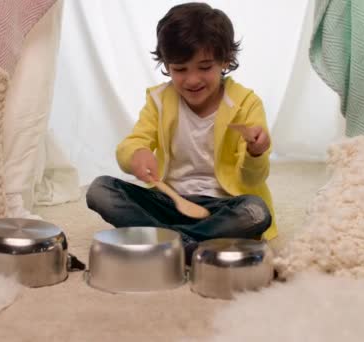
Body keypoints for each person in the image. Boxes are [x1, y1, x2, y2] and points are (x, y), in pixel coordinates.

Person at [86, 2, 277, 264]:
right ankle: (189, 244)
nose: (192, 80)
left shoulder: (246, 103)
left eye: (205, 67)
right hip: (169, 202)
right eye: (180, 69)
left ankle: (165, 242)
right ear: (166, 65)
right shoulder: (159, 101)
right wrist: (137, 155)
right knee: (100, 189)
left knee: (256, 211)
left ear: (226, 61)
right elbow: (133, 143)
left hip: (221, 207)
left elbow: (254, 178)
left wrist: (256, 151)